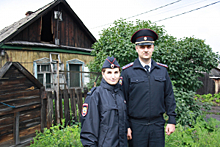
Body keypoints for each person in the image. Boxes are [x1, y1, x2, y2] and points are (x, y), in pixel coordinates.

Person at [121, 29, 176, 147]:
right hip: (136, 127)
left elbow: (169, 96)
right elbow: (122, 101)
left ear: (153, 47)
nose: (146, 50)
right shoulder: (127, 72)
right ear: (136, 48)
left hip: (157, 125)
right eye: (142, 47)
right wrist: (126, 126)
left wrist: (172, 120)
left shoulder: (162, 71)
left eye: (148, 46)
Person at [80, 56, 127, 147]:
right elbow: (88, 131)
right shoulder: (95, 95)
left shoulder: (121, 94)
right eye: (109, 72)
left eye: (116, 72)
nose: (113, 76)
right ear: (103, 74)